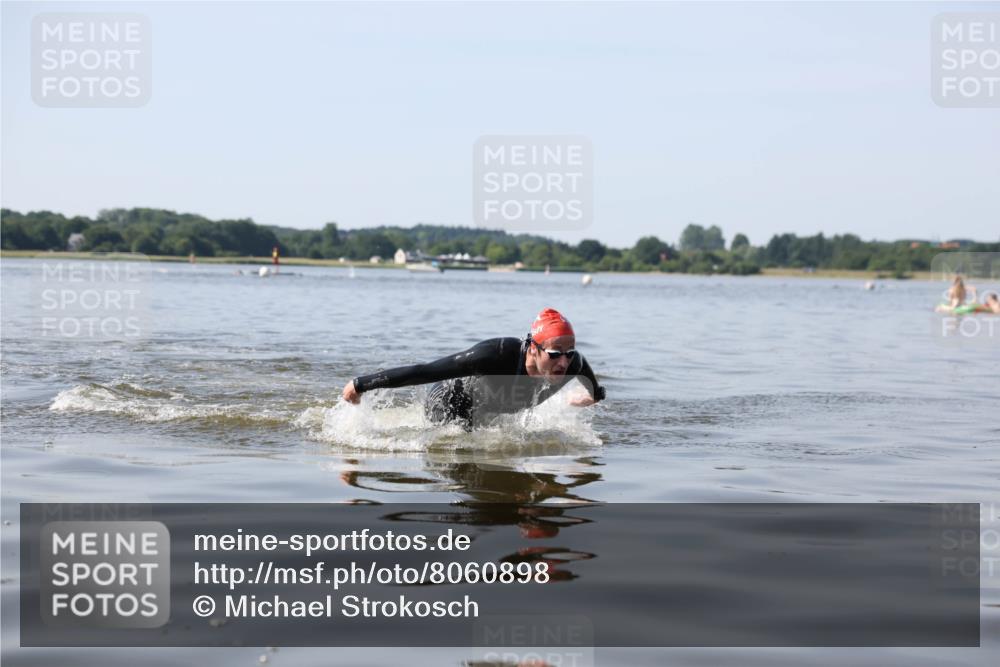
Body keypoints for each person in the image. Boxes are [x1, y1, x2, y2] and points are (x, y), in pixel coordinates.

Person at [341, 308, 606, 429]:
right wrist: (361, 384)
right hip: (450, 400)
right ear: (533, 348)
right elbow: (425, 371)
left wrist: (593, 397)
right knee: (462, 443)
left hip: (488, 407)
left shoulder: (573, 363)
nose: (564, 362)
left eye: (569, 353)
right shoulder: (493, 356)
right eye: (555, 354)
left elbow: (591, 381)